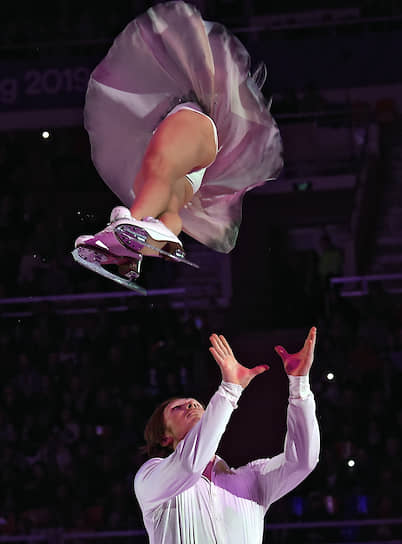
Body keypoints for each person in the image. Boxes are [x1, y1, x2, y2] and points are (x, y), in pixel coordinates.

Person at [74, 1, 283, 285]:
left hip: (194, 126)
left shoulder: (188, 84)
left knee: (157, 172)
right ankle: (147, 240)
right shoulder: (185, 94)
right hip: (199, 158)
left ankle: (129, 233)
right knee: (168, 206)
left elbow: (192, 51)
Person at [134, 327, 320, 543]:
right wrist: (229, 390)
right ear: (164, 437)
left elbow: (303, 461)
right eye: (178, 408)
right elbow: (188, 466)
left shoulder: (251, 478)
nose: (192, 404)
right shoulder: (150, 478)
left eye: (196, 404)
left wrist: (300, 385)